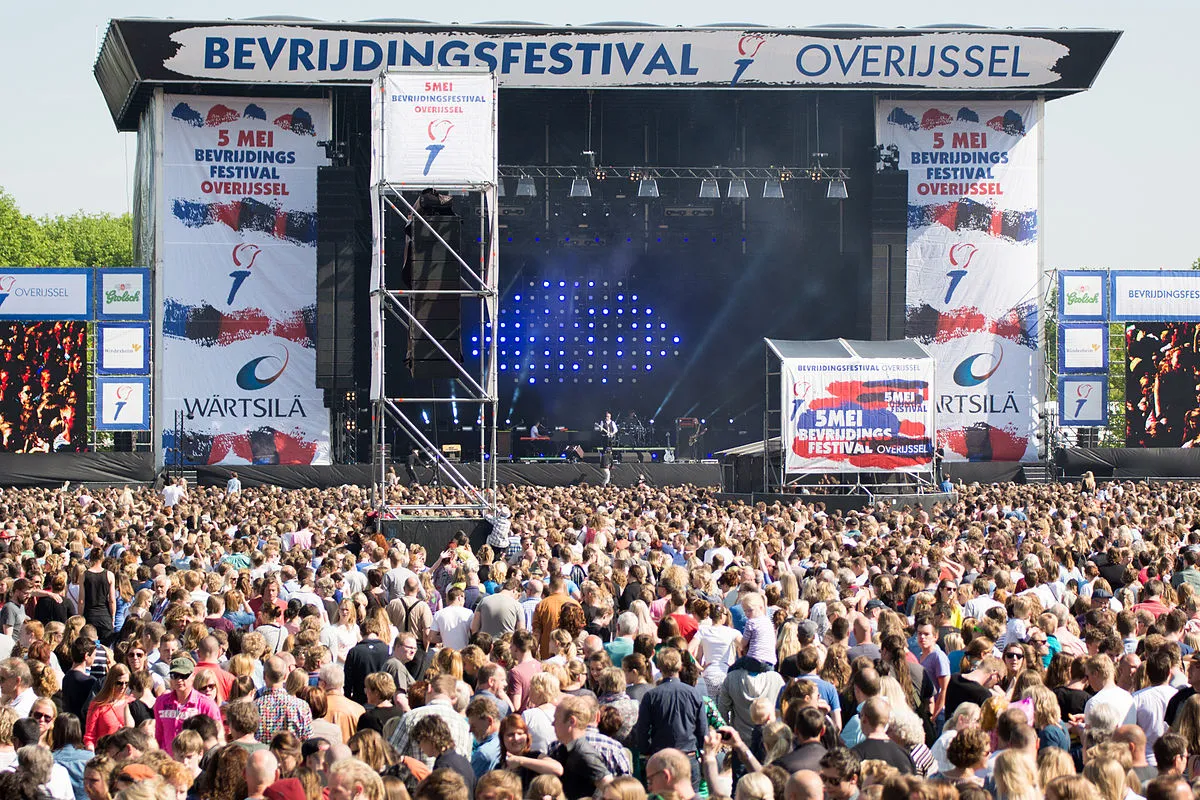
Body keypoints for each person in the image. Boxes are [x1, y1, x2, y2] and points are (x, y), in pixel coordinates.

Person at [636, 648, 708, 778]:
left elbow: (642, 729)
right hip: (688, 756)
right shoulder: (694, 694)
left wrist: (646, 751)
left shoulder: (651, 696)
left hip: (662, 757)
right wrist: (703, 752)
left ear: (659, 667)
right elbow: (702, 729)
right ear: (680, 667)